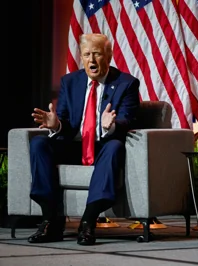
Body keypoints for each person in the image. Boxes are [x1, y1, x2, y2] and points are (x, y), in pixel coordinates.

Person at [28, 33, 140, 245]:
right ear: (81, 57)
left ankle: (88, 221)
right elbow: (66, 122)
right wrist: (56, 125)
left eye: (97, 54)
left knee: (115, 146)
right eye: (87, 54)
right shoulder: (70, 82)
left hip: (103, 146)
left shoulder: (127, 84)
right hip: (74, 146)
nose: (92, 60)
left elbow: (127, 119)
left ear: (108, 56)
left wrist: (112, 124)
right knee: (39, 143)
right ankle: (50, 220)